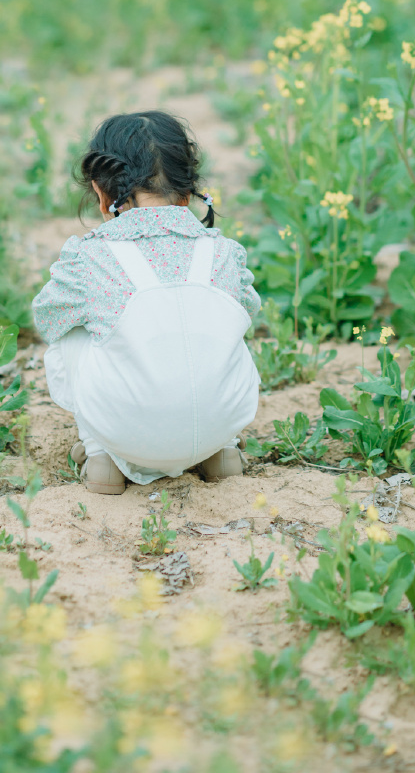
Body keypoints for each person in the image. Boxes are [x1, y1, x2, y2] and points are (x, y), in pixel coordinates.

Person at [32, 110, 261, 494]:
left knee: (72, 331)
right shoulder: (224, 251)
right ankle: (221, 451)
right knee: (224, 325)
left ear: (102, 194)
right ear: (188, 191)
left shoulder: (89, 257)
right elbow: (250, 312)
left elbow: (47, 319)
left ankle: (101, 453)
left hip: (130, 431)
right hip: (217, 422)